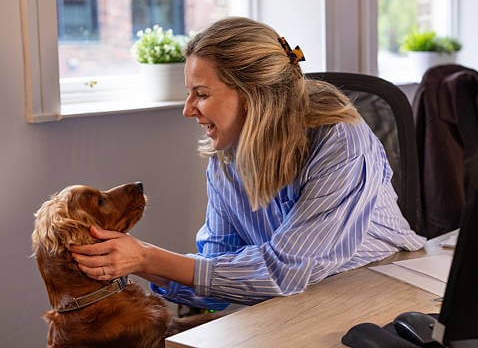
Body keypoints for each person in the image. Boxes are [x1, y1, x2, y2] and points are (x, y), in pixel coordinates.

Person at [70, 16, 425, 310]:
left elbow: (284, 270)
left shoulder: (340, 141)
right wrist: (132, 261)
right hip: (302, 300)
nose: (188, 109)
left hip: (384, 287)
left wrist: (148, 258)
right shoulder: (225, 161)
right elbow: (217, 272)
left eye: (202, 94)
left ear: (254, 93)